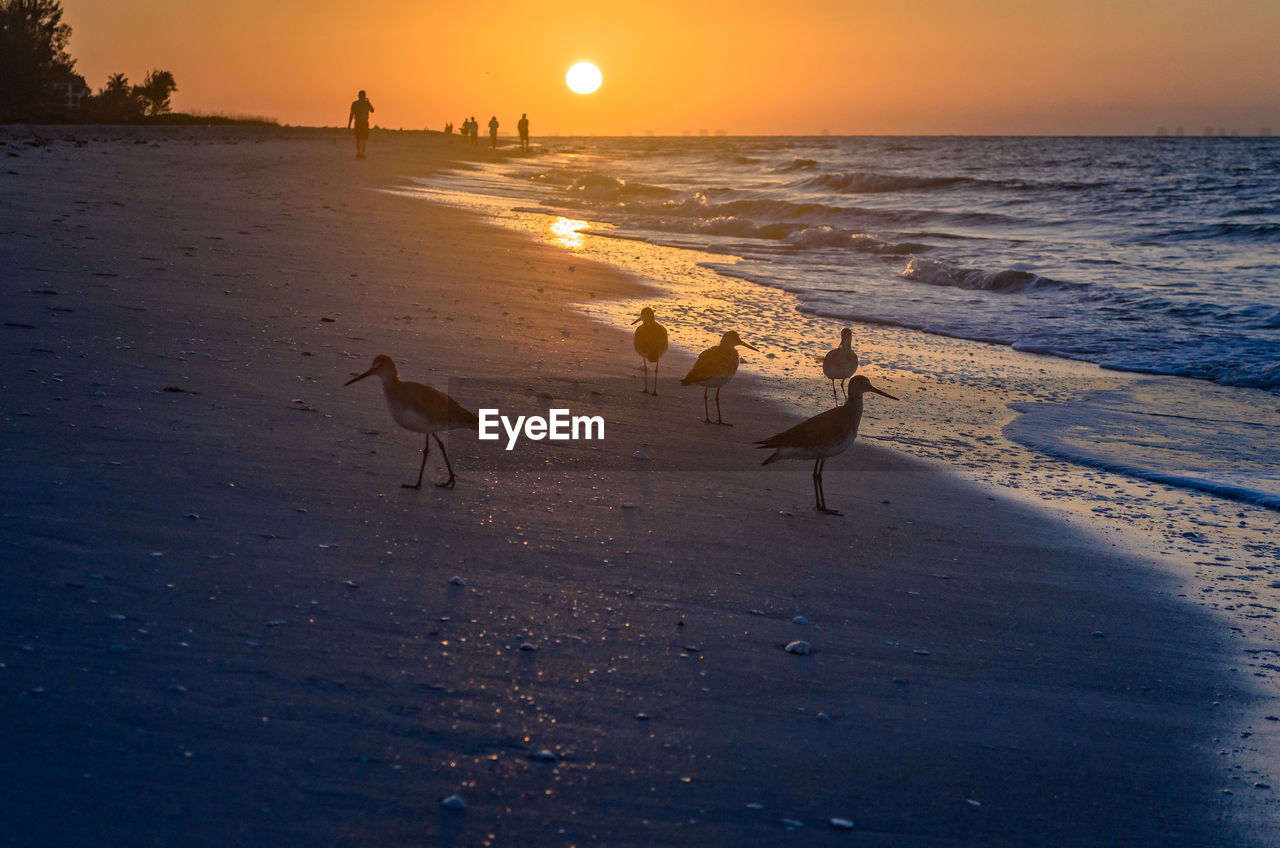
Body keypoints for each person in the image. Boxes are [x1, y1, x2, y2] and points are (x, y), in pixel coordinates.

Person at [347, 90, 374, 159]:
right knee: (363, 138)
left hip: (359, 122)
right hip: (363, 122)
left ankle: (359, 153)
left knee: (359, 138)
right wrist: (368, 103)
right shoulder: (364, 103)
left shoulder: (355, 103)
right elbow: (372, 110)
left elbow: (351, 114)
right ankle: (361, 153)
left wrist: (349, 124)